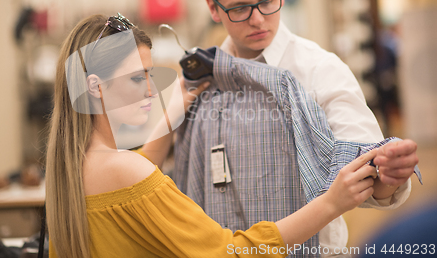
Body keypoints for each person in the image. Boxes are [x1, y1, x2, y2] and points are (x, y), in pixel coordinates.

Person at [45, 13, 380, 258]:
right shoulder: (126, 171)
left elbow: (133, 182)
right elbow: (230, 253)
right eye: (136, 79)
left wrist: (170, 117)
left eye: (150, 74)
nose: (151, 89)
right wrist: (330, 203)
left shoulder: (71, 170)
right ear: (94, 87)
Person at [174, 0, 419, 257]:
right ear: (213, 8)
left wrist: (389, 174)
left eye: (267, 1)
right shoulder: (201, 82)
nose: (258, 19)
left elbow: (369, 177)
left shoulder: (319, 71)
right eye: (240, 8)